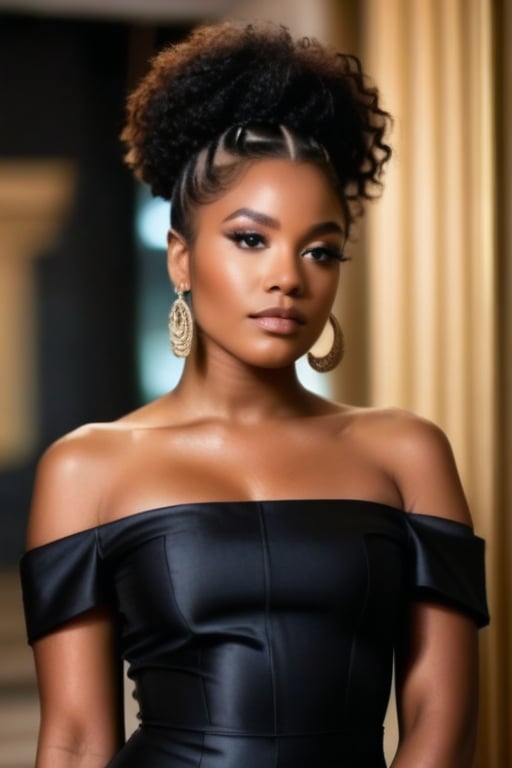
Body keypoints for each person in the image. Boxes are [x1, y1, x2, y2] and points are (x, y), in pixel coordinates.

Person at [20, 20, 489, 768]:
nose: (287, 277)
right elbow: (75, 741)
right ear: (181, 257)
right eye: (249, 238)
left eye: (320, 249)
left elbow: (444, 720)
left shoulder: (407, 452)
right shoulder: (87, 469)